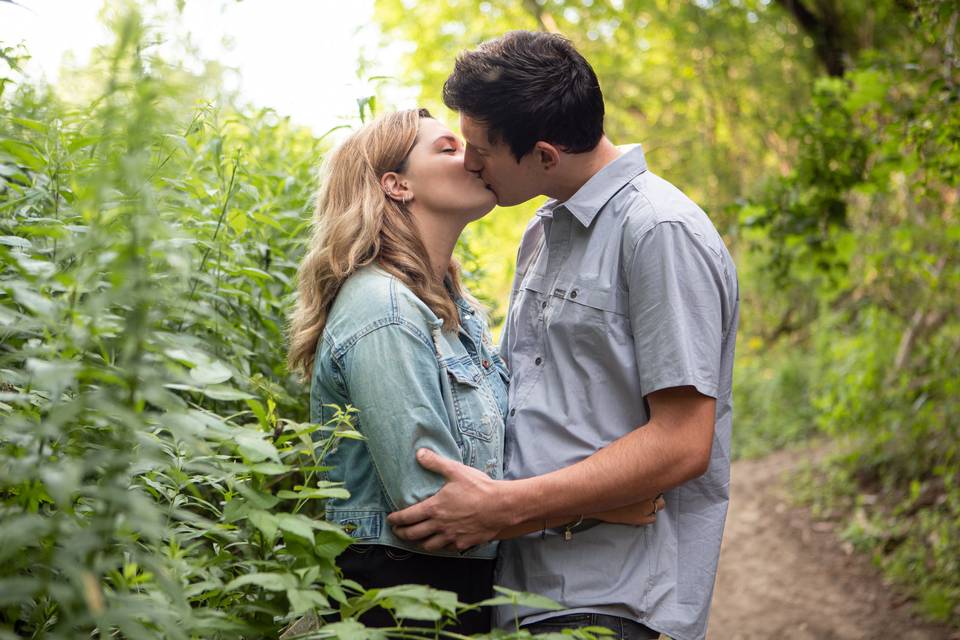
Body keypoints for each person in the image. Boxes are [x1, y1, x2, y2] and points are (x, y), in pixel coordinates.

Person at [387, 31, 741, 640]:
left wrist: (507, 510)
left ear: (545, 155)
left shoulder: (659, 231)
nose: (468, 163)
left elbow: (684, 441)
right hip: (523, 593)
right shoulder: (543, 231)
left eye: (481, 150)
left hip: (613, 598)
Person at [286, 108, 665, 634]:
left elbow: (498, 464)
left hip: (448, 597)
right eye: (447, 148)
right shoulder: (383, 307)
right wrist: (588, 506)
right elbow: (436, 506)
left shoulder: (453, 312)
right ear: (396, 185)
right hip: (395, 601)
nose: (471, 157)